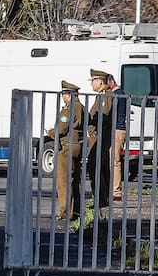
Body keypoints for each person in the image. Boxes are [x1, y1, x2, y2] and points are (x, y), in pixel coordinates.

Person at [46, 80, 84, 220]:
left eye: (64, 94)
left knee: (63, 180)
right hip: (78, 144)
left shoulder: (68, 109)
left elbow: (62, 128)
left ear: (68, 95)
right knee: (74, 179)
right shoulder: (82, 107)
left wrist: (50, 132)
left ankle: (65, 212)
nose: (63, 96)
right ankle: (76, 210)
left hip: (67, 146)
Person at [87, 69, 113, 209]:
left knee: (95, 165)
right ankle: (102, 198)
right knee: (101, 166)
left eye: (93, 81)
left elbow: (103, 114)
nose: (91, 83)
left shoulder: (106, 96)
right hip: (98, 134)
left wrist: (93, 123)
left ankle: (101, 199)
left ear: (100, 82)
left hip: (101, 135)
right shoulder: (101, 95)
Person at [107, 73, 128, 200]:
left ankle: (116, 191)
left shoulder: (116, 95)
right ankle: (114, 189)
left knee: (115, 161)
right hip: (118, 129)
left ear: (110, 82)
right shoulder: (121, 92)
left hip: (117, 130)